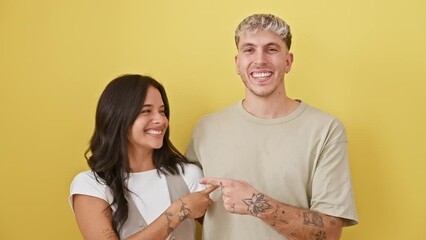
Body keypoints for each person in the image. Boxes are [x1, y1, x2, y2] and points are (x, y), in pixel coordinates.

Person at [185, 14, 358, 240]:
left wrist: (257, 204)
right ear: (237, 63)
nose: (260, 60)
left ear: (288, 61)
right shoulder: (205, 129)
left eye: (271, 49)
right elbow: (193, 207)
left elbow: (329, 231)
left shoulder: (326, 130)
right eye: (249, 50)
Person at [70, 74, 218, 240]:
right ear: (118, 117)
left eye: (162, 111)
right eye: (146, 111)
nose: (161, 120)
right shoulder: (90, 185)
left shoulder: (188, 174)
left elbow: (224, 231)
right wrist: (179, 210)